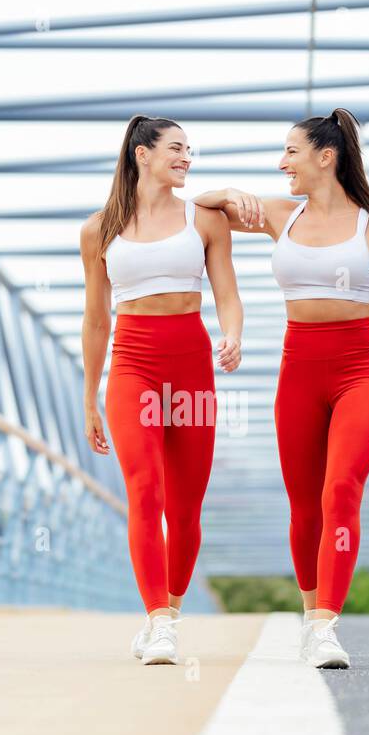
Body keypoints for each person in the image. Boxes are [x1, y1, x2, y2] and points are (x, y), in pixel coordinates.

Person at [195, 107, 369, 669]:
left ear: (325, 157)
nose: (281, 163)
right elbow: (199, 208)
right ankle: (311, 617)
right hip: (298, 369)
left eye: (291, 152)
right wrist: (231, 189)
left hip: (360, 369)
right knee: (306, 508)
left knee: (341, 492)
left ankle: (327, 625)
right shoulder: (280, 214)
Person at [80, 115, 244, 665]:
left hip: (191, 366)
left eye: (189, 150)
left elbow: (227, 292)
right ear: (141, 154)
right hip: (132, 367)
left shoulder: (206, 220)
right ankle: (158, 621)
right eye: (176, 149)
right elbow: (96, 320)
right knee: (144, 490)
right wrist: (89, 398)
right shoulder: (98, 229)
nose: (187, 158)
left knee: (186, 506)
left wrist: (233, 334)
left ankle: (167, 612)